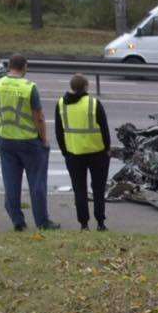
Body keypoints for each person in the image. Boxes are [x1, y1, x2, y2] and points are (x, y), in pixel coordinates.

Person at [0, 54, 58, 231]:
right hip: (29, 141)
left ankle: (17, 221)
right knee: (37, 183)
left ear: (9, 66)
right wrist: (44, 139)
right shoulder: (29, 87)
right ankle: (42, 222)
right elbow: (39, 117)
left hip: (6, 140)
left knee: (11, 183)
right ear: (25, 67)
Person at [54, 73, 111, 231]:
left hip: (73, 154)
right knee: (98, 189)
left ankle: (84, 224)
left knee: (79, 190)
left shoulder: (61, 104)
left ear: (72, 87)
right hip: (97, 153)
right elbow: (104, 129)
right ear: (86, 87)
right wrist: (107, 149)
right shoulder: (93, 103)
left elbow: (59, 132)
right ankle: (100, 222)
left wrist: (65, 151)